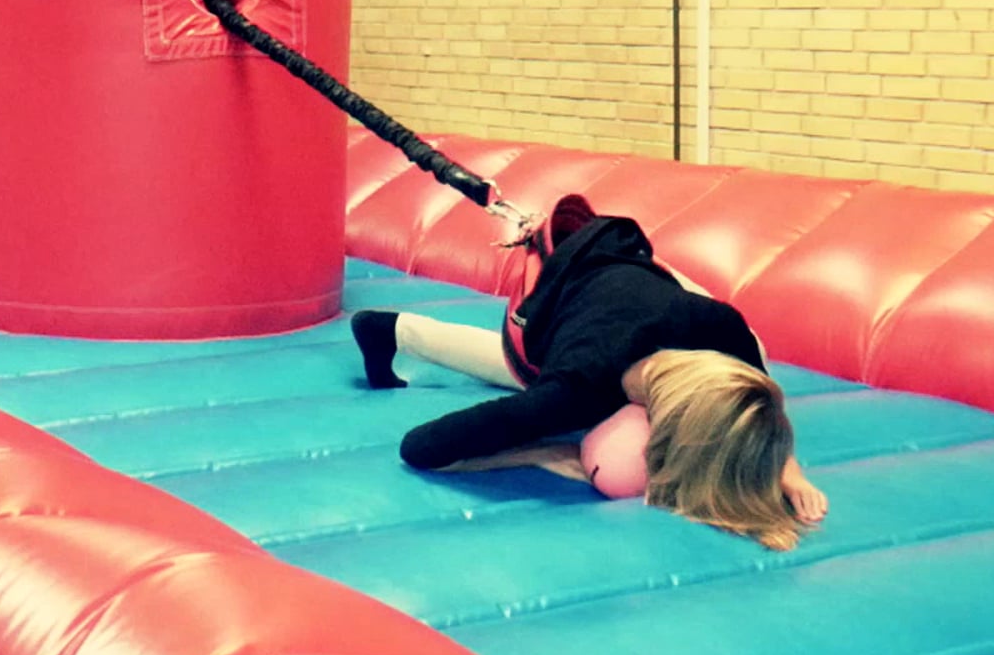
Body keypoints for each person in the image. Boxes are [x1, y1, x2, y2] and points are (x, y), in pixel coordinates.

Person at [352, 196, 826, 551]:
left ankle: (389, 328)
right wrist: (551, 452)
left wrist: (788, 471)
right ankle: (393, 330)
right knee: (522, 379)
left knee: (753, 349)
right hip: (560, 292)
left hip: (637, 279)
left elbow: (756, 397)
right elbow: (418, 447)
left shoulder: (724, 332)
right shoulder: (576, 387)